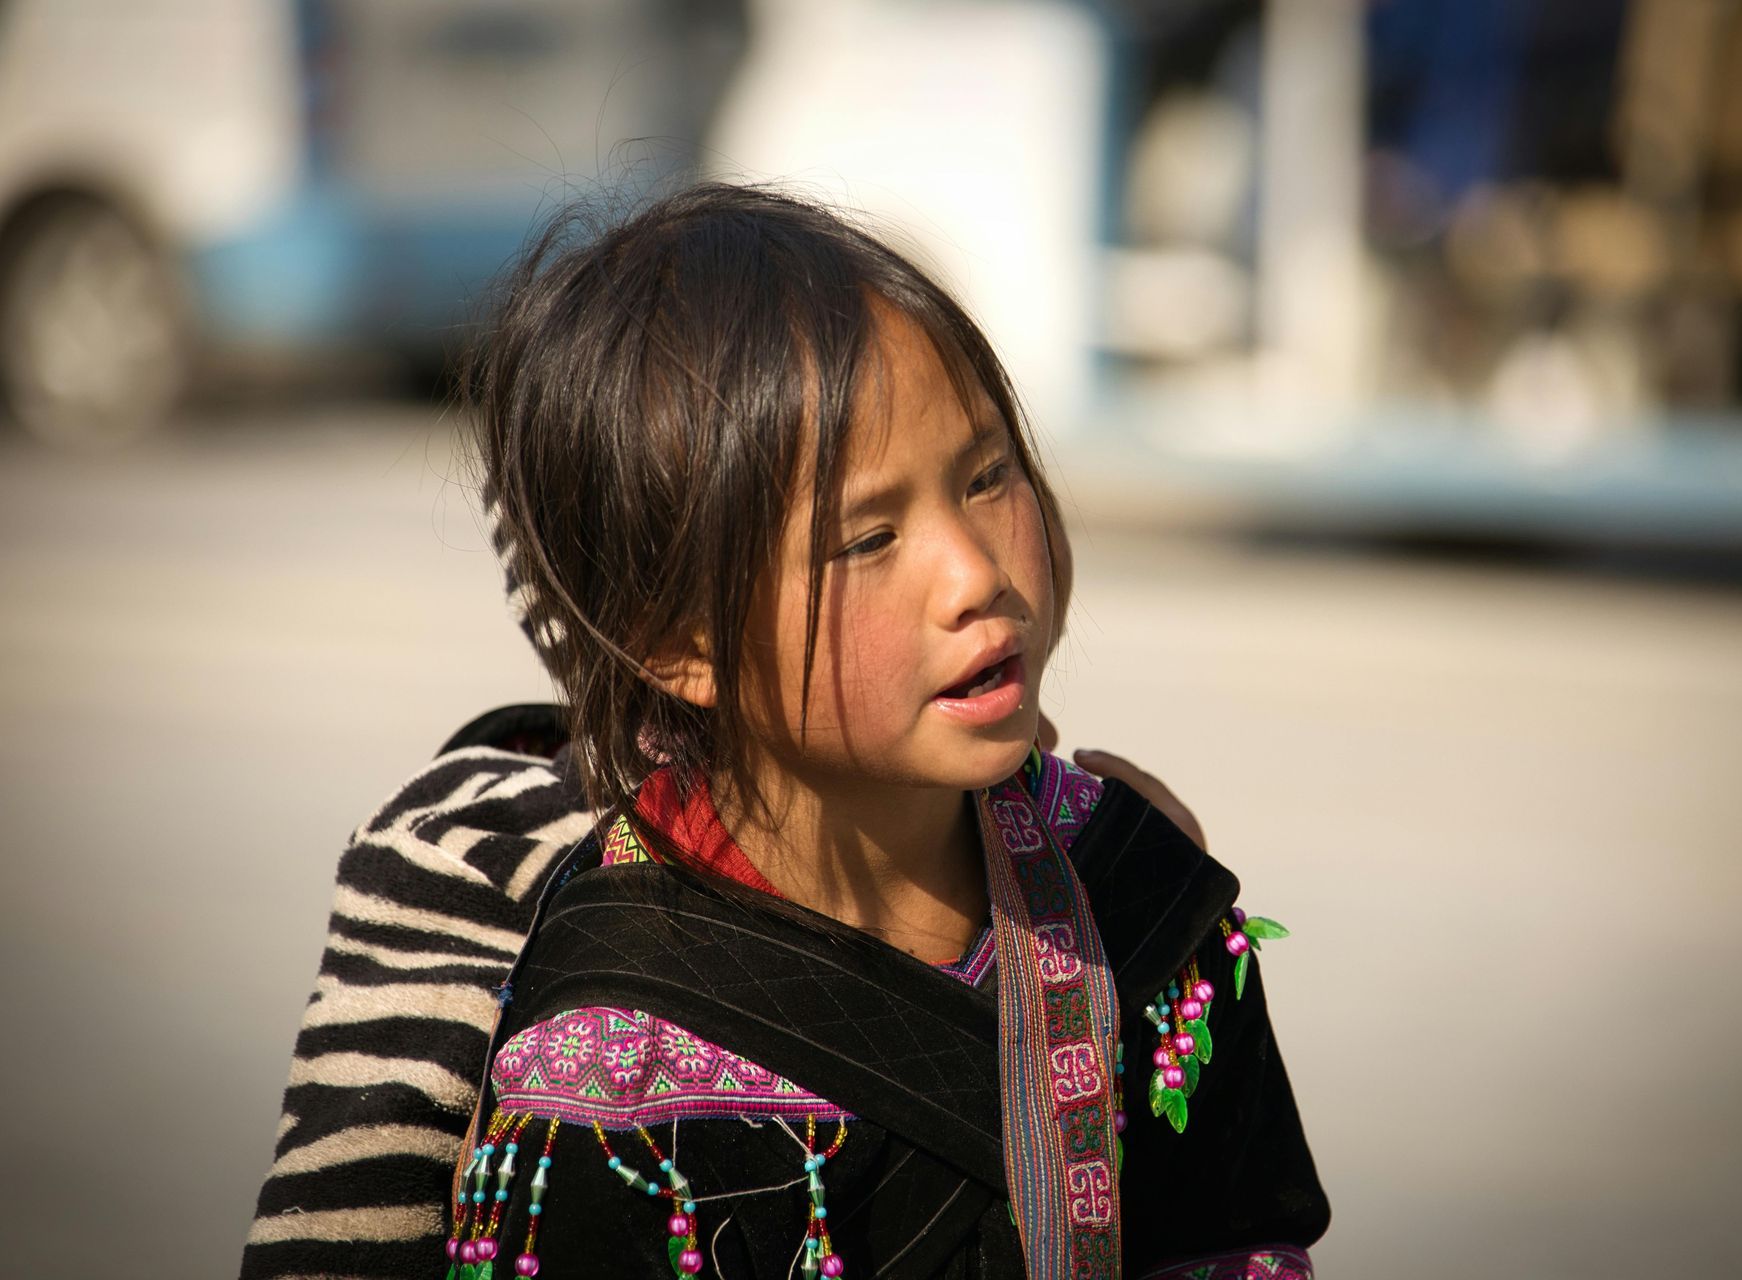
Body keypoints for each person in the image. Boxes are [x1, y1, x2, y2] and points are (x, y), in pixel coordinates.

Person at [241, 183, 1325, 1280]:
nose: (976, 573)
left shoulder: (1139, 901)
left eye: (989, 475)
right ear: (676, 643)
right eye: (869, 537)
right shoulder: (613, 1103)